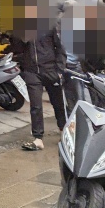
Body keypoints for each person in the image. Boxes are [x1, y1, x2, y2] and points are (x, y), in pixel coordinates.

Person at [11, 14, 67, 151]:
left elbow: (60, 48)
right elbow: (16, 49)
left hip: (50, 70)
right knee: (35, 106)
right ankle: (38, 138)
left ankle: (64, 131)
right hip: (31, 72)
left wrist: (59, 70)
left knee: (57, 103)